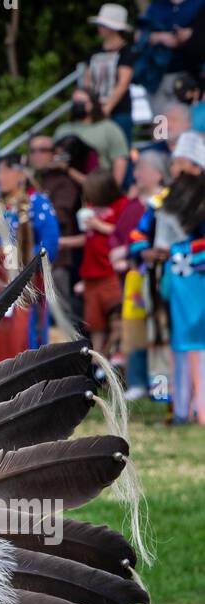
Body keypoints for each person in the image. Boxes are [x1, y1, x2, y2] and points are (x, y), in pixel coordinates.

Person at [132, 128, 205, 419]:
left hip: (195, 278)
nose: (172, 168)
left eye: (178, 162)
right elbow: (139, 232)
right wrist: (146, 251)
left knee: (195, 340)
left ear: (194, 166)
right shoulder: (163, 200)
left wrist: (180, 250)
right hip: (171, 281)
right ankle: (180, 406)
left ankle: (198, 407)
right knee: (175, 341)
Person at [0, 151, 60, 362]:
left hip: (27, 283)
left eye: (5, 171)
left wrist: (20, 255)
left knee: (23, 335)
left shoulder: (38, 203)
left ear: (20, 174)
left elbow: (50, 246)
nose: (0, 177)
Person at [113, 149, 170, 396]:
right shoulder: (136, 205)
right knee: (137, 330)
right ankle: (140, 383)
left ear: (158, 174)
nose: (136, 174)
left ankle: (165, 389)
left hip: (169, 275)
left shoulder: (169, 202)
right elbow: (133, 236)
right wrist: (138, 251)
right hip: (140, 276)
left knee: (163, 332)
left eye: (142, 170)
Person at [77, 168, 132, 353]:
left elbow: (124, 232)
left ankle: (117, 358)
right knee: (95, 324)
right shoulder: (90, 208)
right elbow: (87, 239)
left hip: (110, 272)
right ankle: (97, 363)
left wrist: (98, 225)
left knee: (117, 319)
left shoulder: (122, 204)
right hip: (91, 274)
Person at [29, 133, 84, 303]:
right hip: (33, 258)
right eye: (33, 151)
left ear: (54, 153)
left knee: (62, 316)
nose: (37, 155)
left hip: (58, 259)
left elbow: (60, 215)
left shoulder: (64, 181)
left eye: (43, 150)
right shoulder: (33, 181)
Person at [55, 86, 130, 186]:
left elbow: (120, 160)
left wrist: (114, 190)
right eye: (75, 102)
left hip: (97, 186)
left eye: (81, 102)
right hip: (65, 186)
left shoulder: (109, 128)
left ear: (92, 104)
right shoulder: (62, 129)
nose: (77, 105)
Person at [86, 5, 137, 144]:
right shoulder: (95, 51)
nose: (100, 28)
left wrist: (107, 108)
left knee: (121, 149)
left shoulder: (127, 51)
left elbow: (123, 83)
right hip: (96, 109)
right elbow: (88, 80)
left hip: (119, 111)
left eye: (103, 25)